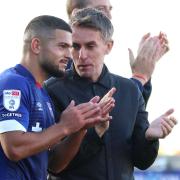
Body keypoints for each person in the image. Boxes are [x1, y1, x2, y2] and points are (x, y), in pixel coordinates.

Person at [45, 8, 177, 180]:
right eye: (75, 47)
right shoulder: (52, 90)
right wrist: (94, 133)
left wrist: (149, 137)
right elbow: (54, 165)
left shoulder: (130, 90)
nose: (82, 55)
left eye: (90, 46)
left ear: (108, 46)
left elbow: (142, 161)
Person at [0, 15, 115, 180]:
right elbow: (14, 148)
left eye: (70, 47)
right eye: (63, 46)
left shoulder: (42, 93)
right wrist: (64, 127)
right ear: (36, 45)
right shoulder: (13, 83)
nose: (69, 55)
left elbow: (53, 165)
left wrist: (80, 127)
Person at [65, 0, 169, 106]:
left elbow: (127, 119)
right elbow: (104, 112)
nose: (109, 16)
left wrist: (143, 75)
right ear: (76, 13)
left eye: (110, 9)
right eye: (101, 9)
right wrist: (140, 77)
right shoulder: (62, 66)